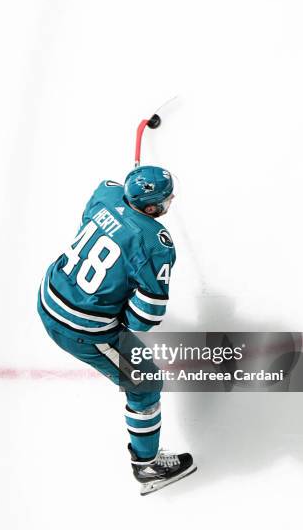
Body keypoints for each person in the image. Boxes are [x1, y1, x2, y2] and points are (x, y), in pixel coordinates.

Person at [37, 165, 197, 495]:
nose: (169, 202)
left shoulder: (107, 192)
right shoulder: (156, 243)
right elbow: (145, 319)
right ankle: (147, 465)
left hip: (49, 292)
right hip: (79, 328)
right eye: (165, 200)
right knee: (146, 384)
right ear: (152, 208)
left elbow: (90, 221)